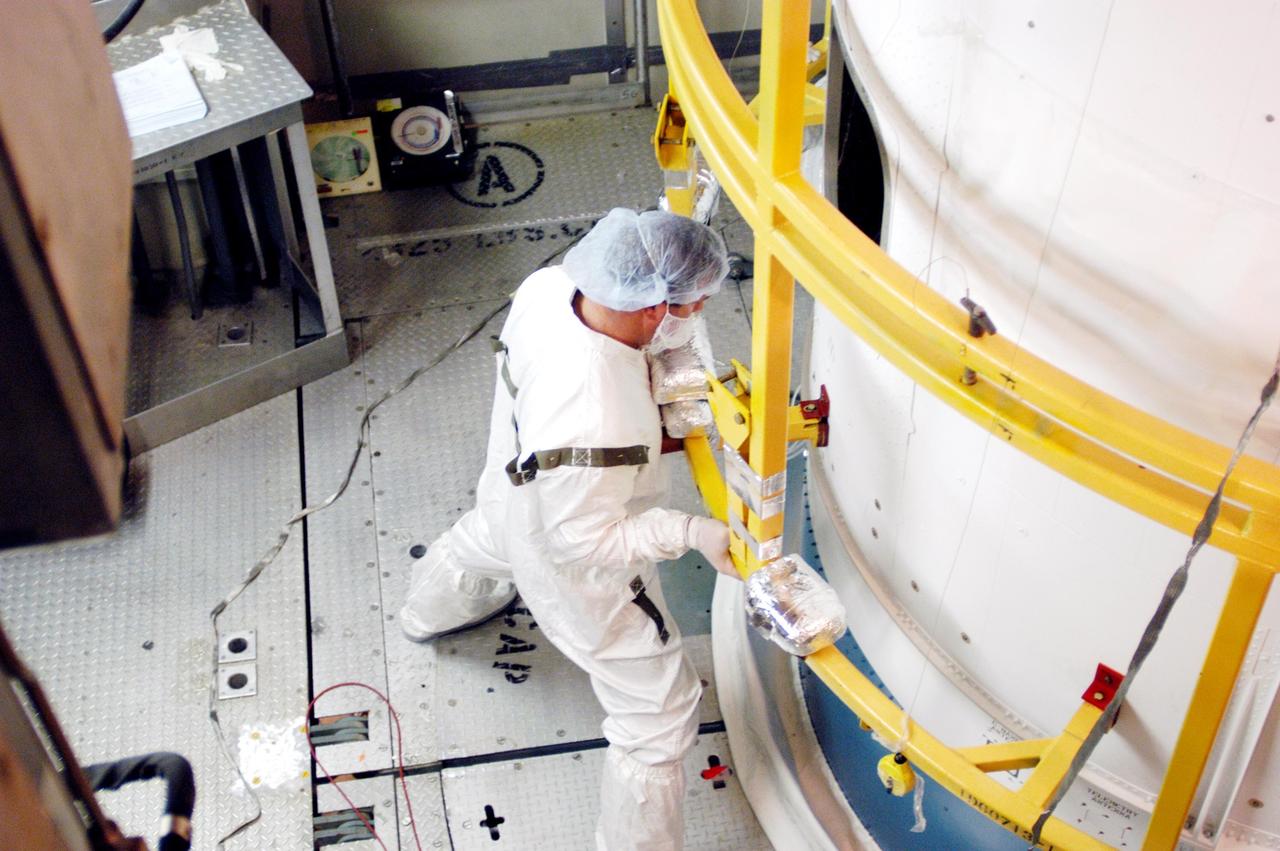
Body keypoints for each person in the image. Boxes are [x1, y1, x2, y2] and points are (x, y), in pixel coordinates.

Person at [399, 207, 738, 850]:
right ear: (650, 309)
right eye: (691, 307)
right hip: (571, 560)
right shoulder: (593, 412)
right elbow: (583, 540)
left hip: (512, 496)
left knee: (479, 545)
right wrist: (693, 533)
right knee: (659, 718)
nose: (693, 320)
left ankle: (422, 616)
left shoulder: (552, 287)